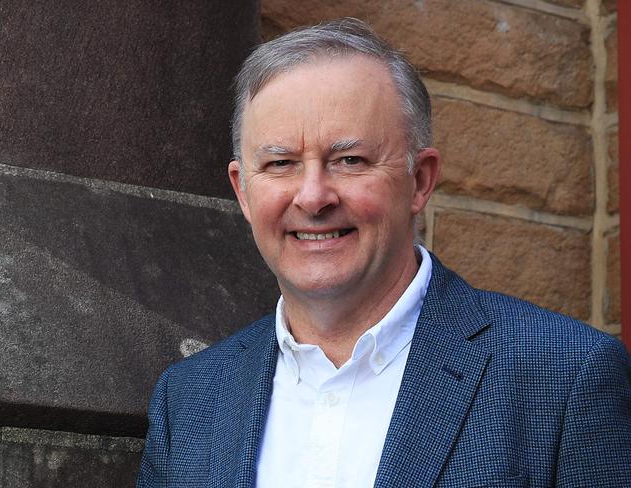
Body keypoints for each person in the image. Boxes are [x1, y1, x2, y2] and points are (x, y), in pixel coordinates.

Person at [136, 18, 631, 488]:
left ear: (419, 181)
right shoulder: (188, 400)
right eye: (281, 163)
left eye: (349, 160)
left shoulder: (565, 376)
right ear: (244, 192)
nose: (313, 197)